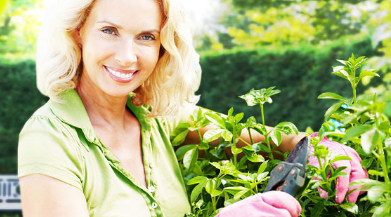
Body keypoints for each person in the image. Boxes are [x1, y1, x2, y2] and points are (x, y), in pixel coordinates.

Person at [17, 0, 366, 216]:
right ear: (78, 33)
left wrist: (323, 148)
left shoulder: (157, 118)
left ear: (163, 46)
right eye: (109, 30)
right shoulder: (49, 138)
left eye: (146, 37)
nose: (127, 56)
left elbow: (272, 140)